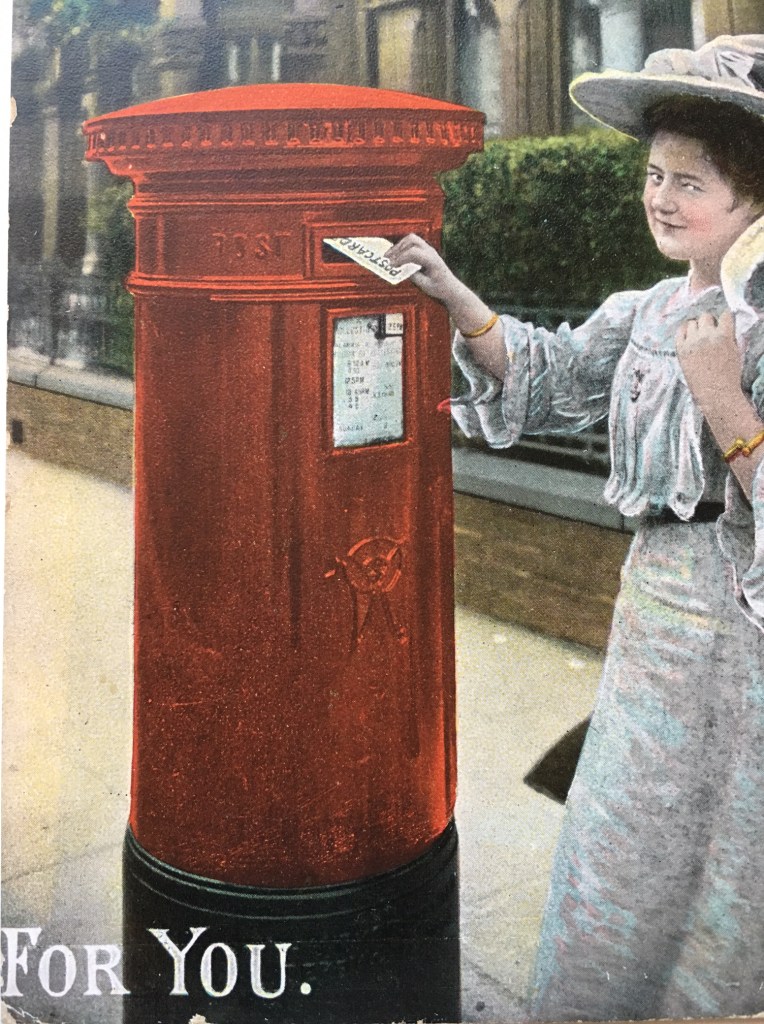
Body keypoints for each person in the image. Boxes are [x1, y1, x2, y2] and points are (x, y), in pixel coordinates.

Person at [386, 34, 764, 1023]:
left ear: (753, 198)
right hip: (651, 632)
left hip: (748, 648)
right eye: (652, 174)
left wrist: (724, 398)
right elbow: (549, 375)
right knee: (620, 854)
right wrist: (450, 293)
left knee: (729, 882)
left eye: (691, 181)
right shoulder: (642, 310)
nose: (660, 196)